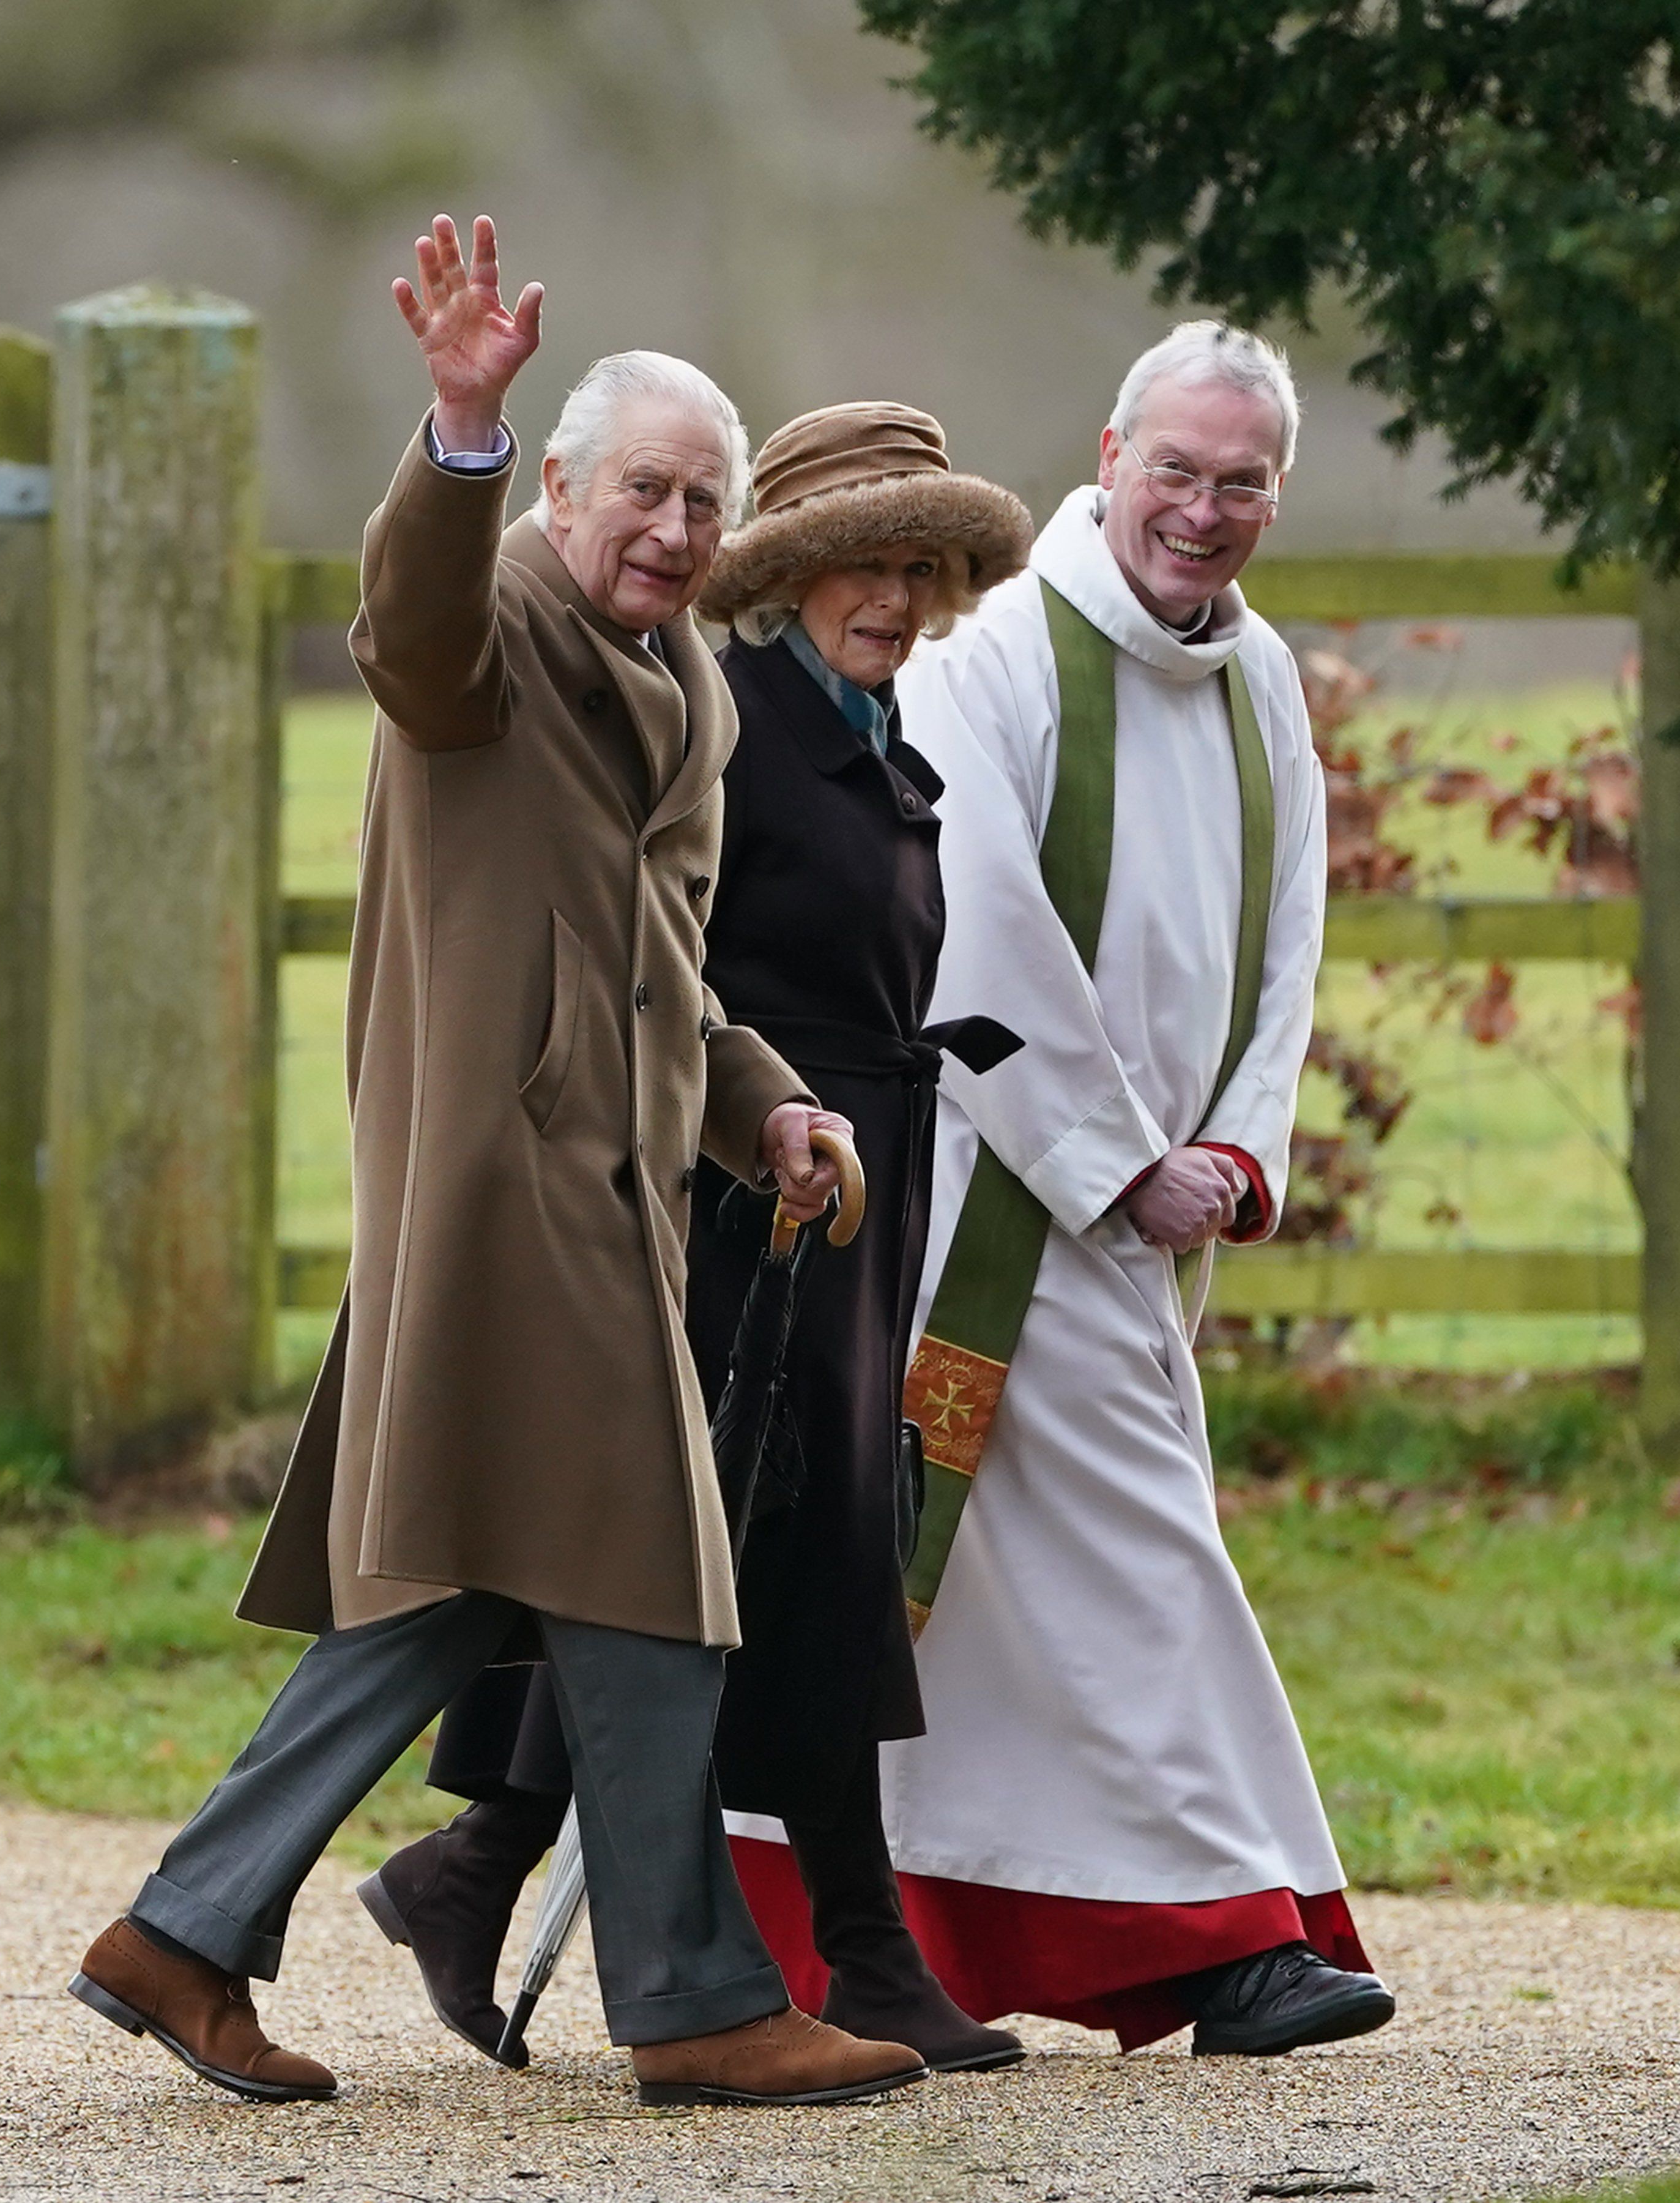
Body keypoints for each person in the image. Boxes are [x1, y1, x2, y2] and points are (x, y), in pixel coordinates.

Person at [64, 215, 925, 2112]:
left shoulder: (689, 683)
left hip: (615, 1194)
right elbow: (409, 631)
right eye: (643, 489)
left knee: (461, 1594)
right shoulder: (505, 615)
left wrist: (767, 1103)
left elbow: (666, 977)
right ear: (558, 487)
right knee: (650, 1584)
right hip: (500, 1192)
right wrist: (450, 428)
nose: (675, 528)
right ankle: (695, 1998)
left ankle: (185, 1932)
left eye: (704, 500)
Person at [358, 406, 1035, 2076]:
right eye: (862, 564)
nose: (893, 595)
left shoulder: (874, 727)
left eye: (922, 567)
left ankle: (477, 1862)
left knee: (770, 1553)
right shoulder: (729, 717)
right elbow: (658, 951)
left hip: (849, 1170)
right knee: (740, 1555)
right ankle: (845, 1947)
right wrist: (737, 1126)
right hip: (735, 1194)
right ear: (789, 574)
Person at [858, 321, 1399, 2056]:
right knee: (1138, 1557)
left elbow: (1288, 943)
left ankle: (863, 1938)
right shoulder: (990, 654)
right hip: (990, 1198)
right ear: (1107, 455)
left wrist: (1239, 1149)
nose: (1203, 508)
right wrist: (1114, 1163)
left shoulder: (1263, 685)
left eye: (1242, 482)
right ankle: (1231, 1939)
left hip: (1160, 1212)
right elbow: (970, 926)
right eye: (1176, 468)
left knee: (986, 1607)